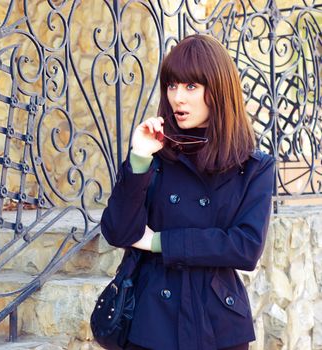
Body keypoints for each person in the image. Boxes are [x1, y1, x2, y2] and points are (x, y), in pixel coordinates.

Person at [101, 34, 275, 350]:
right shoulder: (155, 152)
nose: (178, 98)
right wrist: (139, 159)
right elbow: (118, 232)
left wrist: (160, 242)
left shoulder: (252, 166)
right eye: (172, 85)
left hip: (217, 323)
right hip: (150, 320)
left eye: (191, 87)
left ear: (219, 91)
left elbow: (246, 247)